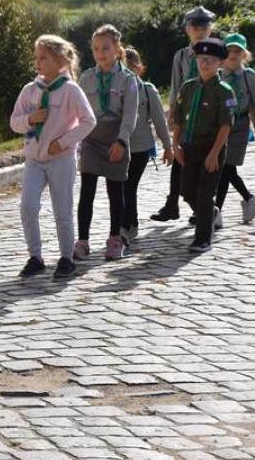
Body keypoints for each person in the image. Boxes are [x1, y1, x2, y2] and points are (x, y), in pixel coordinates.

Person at [10, 35, 96, 280]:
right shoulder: (30, 90)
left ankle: (66, 258)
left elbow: (89, 121)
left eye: (43, 58)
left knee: (62, 210)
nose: (37, 63)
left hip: (61, 159)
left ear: (59, 60)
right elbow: (14, 121)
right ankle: (35, 257)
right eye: (36, 58)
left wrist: (65, 142)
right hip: (34, 160)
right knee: (27, 205)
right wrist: (30, 119)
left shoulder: (70, 90)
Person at [74, 24, 139, 262]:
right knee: (87, 190)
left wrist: (121, 141)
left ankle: (114, 238)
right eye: (96, 49)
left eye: (106, 48)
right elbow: (80, 112)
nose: (101, 54)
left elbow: (131, 114)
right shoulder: (86, 79)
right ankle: (82, 240)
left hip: (116, 138)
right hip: (92, 138)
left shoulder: (128, 80)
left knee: (115, 191)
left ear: (117, 48)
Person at [151, 6, 216, 222]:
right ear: (188, 29)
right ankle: (173, 204)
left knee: (204, 163)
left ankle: (205, 207)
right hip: (187, 115)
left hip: (208, 116)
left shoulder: (216, 53)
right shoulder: (181, 56)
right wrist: (172, 113)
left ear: (210, 29)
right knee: (180, 158)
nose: (199, 31)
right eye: (195, 26)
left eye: (204, 26)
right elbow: (176, 86)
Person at [172, 38, 235, 253]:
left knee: (205, 192)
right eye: (201, 59)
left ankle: (203, 238)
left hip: (212, 146)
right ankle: (210, 213)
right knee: (187, 190)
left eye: (210, 60)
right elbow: (179, 119)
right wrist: (175, 146)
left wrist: (214, 154)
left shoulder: (224, 91)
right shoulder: (188, 87)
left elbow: (226, 125)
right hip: (190, 146)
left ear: (220, 64)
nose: (205, 63)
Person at [216, 33, 255, 224]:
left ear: (244, 54)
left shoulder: (249, 76)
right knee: (224, 167)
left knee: (227, 166)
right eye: (229, 50)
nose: (233, 54)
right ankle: (249, 199)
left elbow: (254, 108)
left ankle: (217, 212)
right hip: (219, 125)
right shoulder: (216, 74)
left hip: (239, 125)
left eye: (237, 51)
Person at [122, 46, 173, 243]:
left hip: (141, 148)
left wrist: (168, 148)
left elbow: (160, 120)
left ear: (138, 68)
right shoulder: (114, 89)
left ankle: (126, 225)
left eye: (130, 67)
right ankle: (130, 222)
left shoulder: (147, 90)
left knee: (129, 185)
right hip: (120, 146)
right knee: (123, 187)